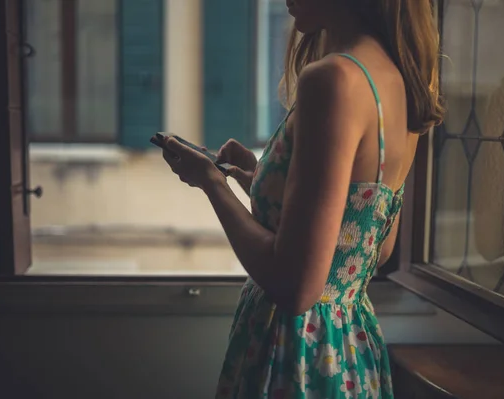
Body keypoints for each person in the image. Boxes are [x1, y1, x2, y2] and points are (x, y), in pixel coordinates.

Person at [161, 0, 442, 397]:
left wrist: (211, 182)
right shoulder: (398, 82)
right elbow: (367, 249)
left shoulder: (333, 80)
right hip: (348, 351)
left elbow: (297, 289)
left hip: (297, 357)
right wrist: (260, 181)